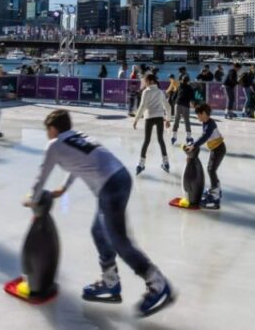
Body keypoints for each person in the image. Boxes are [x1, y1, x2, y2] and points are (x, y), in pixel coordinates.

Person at [25, 109, 175, 317]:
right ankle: (110, 281)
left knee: (119, 241)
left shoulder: (54, 144)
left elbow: (41, 175)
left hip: (109, 187)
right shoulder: (77, 137)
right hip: (120, 177)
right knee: (98, 231)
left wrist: (32, 199)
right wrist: (64, 188)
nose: (47, 134)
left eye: (47, 130)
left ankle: (157, 282)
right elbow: (77, 164)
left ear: (52, 128)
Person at [184, 104, 225, 209]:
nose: (197, 117)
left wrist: (193, 145)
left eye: (198, 115)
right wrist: (193, 147)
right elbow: (202, 137)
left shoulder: (210, 124)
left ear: (203, 113)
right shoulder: (206, 123)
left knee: (211, 170)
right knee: (211, 169)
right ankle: (216, 190)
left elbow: (204, 137)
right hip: (215, 149)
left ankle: (215, 197)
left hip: (219, 149)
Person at [133, 73, 171, 175]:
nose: (144, 83)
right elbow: (168, 107)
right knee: (160, 139)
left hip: (149, 118)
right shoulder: (160, 92)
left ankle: (141, 164)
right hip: (159, 117)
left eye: (145, 81)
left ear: (150, 81)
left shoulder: (146, 92)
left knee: (146, 140)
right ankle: (166, 162)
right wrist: (168, 119)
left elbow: (142, 107)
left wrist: (136, 120)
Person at [170, 68, 193, 146]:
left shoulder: (180, 86)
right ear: (188, 81)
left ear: (182, 80)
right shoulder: (190, 88)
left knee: (176, 120)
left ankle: (173, 136)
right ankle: (188, 137)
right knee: (186, 121)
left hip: (178, 104)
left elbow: (174, 96)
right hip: (185, 105)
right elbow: (192, 97)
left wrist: (173, 103)